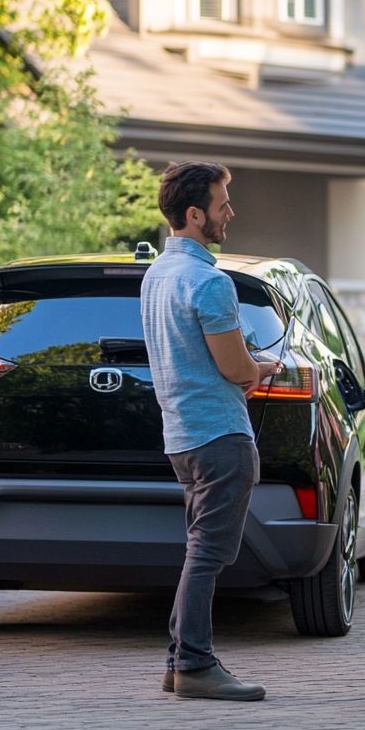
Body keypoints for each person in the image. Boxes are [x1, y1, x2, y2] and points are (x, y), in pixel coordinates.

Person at [140, 160, 280, 701]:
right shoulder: (209, 281)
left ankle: (181, 663)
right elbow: (235, 368)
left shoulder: (158, 275)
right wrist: (259, 368)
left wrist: (244, 366)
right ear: (195, 214)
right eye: (223, 204)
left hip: (181, 435)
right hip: (220, 435)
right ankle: (195, 663)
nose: (231, 213)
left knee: (200, 548)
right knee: (208, 553)